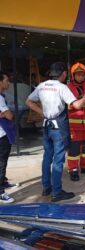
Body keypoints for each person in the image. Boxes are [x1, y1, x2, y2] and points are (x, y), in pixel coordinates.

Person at [26, 62, 85, 202]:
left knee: (47, 158)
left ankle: (46, 188)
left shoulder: (42, 86)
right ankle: (57, 193)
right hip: (58, 128)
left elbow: (28, 101)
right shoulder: (62, 87)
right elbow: (76, 105)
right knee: (58, 161)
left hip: (47, 125)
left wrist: (43, 113)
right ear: (63, 74)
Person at [0, 71, 16, 203]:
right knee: (1, 162)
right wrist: (5, 113)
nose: (8, 82)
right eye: (6, 80)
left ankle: (3, 181)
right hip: (1, 134)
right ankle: (0, 192)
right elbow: (9, 115)